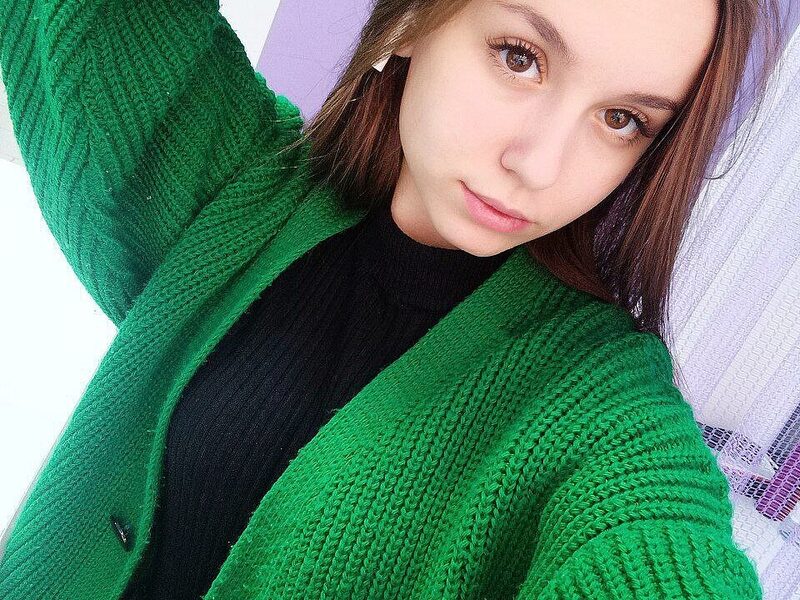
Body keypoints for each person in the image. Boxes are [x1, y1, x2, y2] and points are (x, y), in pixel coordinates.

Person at [0, 0, 785, 598]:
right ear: (411, 19)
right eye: (519, 57)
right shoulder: (236, 189)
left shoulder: (602, 403)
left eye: (622, 120)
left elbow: (660, 551)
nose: (541, 165)